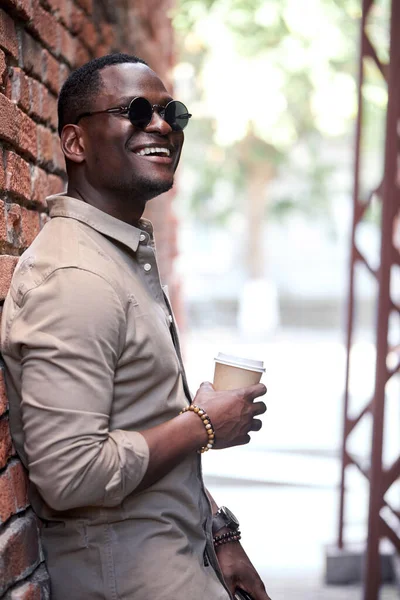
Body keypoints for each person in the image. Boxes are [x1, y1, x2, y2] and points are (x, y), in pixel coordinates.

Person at [1, 53, 271, 600]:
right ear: (75, 143)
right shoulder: (76, 279)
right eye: (138, 110)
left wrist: (219, 531)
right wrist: (203, 424)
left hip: (181, 561)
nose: (162, 124)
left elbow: (141, 420)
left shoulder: (116, 256)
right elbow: (70, 472)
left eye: (173, 112)